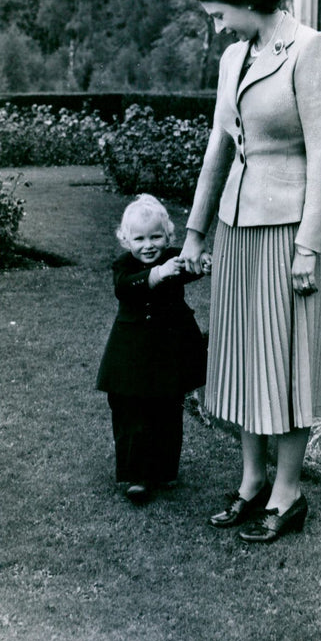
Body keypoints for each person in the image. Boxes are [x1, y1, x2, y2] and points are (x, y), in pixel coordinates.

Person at [179, 0, 321, 543]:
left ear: (249, 1)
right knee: (245, 356)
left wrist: (309, 245)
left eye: (220, 11)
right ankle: (251, 482)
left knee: (286, 359)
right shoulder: (233, 57)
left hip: (288, 231)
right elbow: (218, 149)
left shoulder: (310, 49)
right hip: (235, 227)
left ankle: (288, 490)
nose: (216, 24)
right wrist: (197, 232)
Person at [96, 194, 210, 502]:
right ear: (126, 240)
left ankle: (164, 470)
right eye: (140, 238)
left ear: (168, 236)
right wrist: (156, 275)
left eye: (156, 237)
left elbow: (190, 267)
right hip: (131, 355)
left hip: (167, 353)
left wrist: (201, 263)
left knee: (167, 409)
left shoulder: (173, 258)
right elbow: (124, 288)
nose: (149, 245)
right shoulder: (124, 266)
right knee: (131, 411)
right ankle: (138, 476)